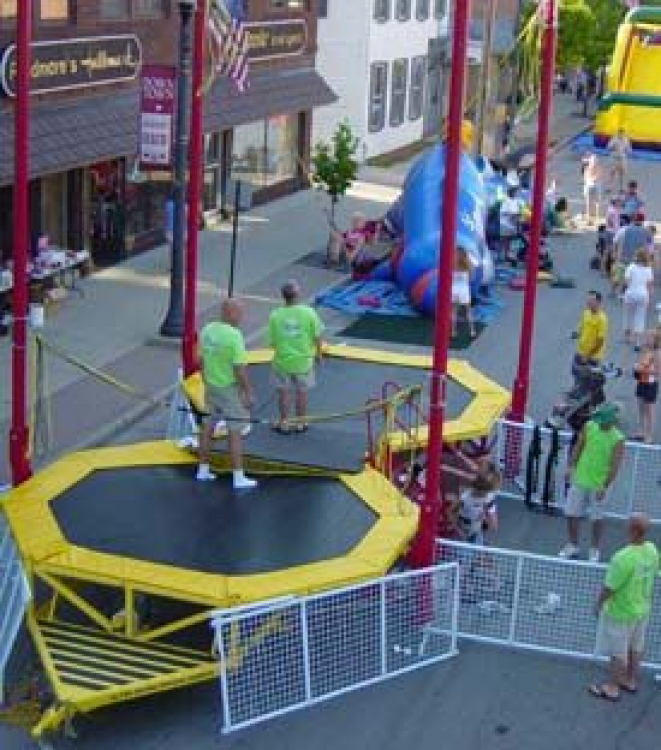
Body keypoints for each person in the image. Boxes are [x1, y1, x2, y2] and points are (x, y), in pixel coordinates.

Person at [589, 513, 659, 701]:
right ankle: (630, 680)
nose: (624, 525)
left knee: (618, 652)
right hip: (642, 608)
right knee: (636, 646)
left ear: (633, 530)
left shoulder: (622, 558)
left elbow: (610, 587)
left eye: (628, 523)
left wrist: (598, 604)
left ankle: (612, 687)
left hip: (621, 612)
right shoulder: (652, 549)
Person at [196, 298, 257, 489]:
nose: (242, 317)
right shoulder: (234, 336)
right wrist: (248, 392)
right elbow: (240, 368)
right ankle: (238, 477)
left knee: (207, 427)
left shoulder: (207, 329)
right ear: (230, 313)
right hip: (228, 389)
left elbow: (201, 359)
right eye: (239, 313)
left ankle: (203, 470)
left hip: (211, 385)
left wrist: (205, 379)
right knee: (235, 431)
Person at [559, 402, 624, 562]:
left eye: (602, 419)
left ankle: (594, 548)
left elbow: (615, 466)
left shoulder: (618, 439)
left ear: (611, 421)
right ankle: (572, 545)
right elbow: (578, 447)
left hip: (599, 485)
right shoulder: (589, 426)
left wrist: (604, 486)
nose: (599, 422)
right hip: (580, 479)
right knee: (572, 513)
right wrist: (570, 467)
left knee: (597, 518)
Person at [267, 280, 324, 433]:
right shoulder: (309, 312)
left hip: (282, 362)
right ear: (297, 294)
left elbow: (272, 343)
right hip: (303, 362)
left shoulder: (275, 315)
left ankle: (285, 423)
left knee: (284, 393)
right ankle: (301, 423)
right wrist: (319, 354)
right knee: (301, 392)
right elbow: (317, 336)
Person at [450, 469, 500, 545]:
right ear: (479, 489)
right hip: (462, 531)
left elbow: (493, 522)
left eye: (489, 491)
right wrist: (457, 529)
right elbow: (450, 511)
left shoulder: (489, 496)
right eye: (485, 492)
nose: (487, 494)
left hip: (476, 530)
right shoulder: (465, 497)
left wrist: (488, 519)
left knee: (479, 549)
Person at [572, 291, 609, 386]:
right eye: (588, 300)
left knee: (588, 381)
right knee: (576, 376)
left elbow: (600, 341)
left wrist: (588, 356)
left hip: (592, 357)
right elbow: (581, 327)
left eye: (591, 300)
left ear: (598, 302)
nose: (588, 302)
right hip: (580, 351)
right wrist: (577, 333)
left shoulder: (602, 319)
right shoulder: (586, 313)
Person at [623, 248, 654, 350]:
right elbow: (650, 285)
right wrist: (650, 298)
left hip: (631, 293)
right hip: (643, 295)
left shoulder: (631, 267)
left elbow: (626, 281)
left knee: (628, 315)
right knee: (640, 318)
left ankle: (627, 338)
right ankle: (638, 343)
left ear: (636, 256)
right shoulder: (648, 269)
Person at [633, 328, 660, 443]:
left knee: (649, 410)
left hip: (651, 383)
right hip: (642, 381)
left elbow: (658, 372)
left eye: (649, 337)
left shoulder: (658, 353)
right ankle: (641, 431)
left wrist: (642, 369)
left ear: (655, 340)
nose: (647, 339)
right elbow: (642, 363)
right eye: (647, 337)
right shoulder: (645, 350)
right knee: (641, 408)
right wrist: (637, 366)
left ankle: (649, 434)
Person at [451, 248, 475, 339]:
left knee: (454, 311)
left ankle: (453, 332)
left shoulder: (452, 264)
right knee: (468, 311)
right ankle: (472, 331)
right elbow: (471, 278)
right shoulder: (468, 265)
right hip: (464, 290)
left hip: (454, 290)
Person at [607, 129, 632, 194]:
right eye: (619, 133)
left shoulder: (626, 140)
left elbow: (629, 150)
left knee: (622, 174)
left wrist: (628, 152)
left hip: (622, 159)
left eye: (622, 133)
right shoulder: (614, 139)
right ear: (618, 133)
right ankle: (609, 187)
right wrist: (613, 148)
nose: (621, 135)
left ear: (623, 134)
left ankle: (622, 188)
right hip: (614, 158)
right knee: (612, 173)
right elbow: (608, 147)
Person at [582, 154, 602, 225]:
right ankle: (594, 215)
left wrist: (589, 180)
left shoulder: (587, 168)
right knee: (595, 201)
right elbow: (598, 176)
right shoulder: (596, 167)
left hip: (590, 184)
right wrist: (592, 180)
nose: (594, 162)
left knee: (590, 201)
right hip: (593, 185)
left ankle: (590, 215)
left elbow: (584, 178)